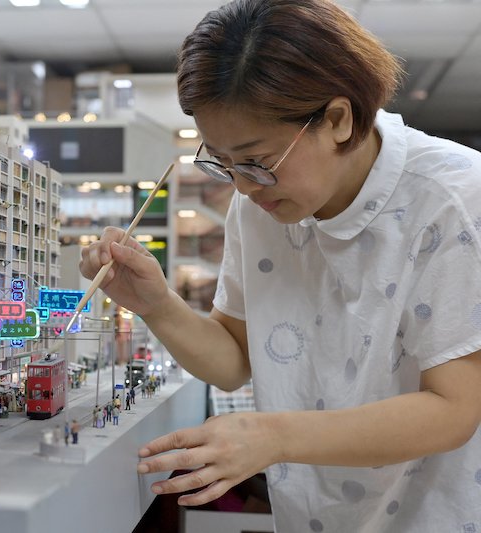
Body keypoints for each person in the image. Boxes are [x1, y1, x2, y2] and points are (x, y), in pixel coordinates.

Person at [78, 0, 481, 530]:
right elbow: (234, 360)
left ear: (338, 119)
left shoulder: (453, 200)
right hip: (312, 515)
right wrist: (156, 304)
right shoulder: (261, 206)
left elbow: (453, 409)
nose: (242, 187)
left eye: (257, 161)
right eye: (223, 163)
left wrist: (274, 436)